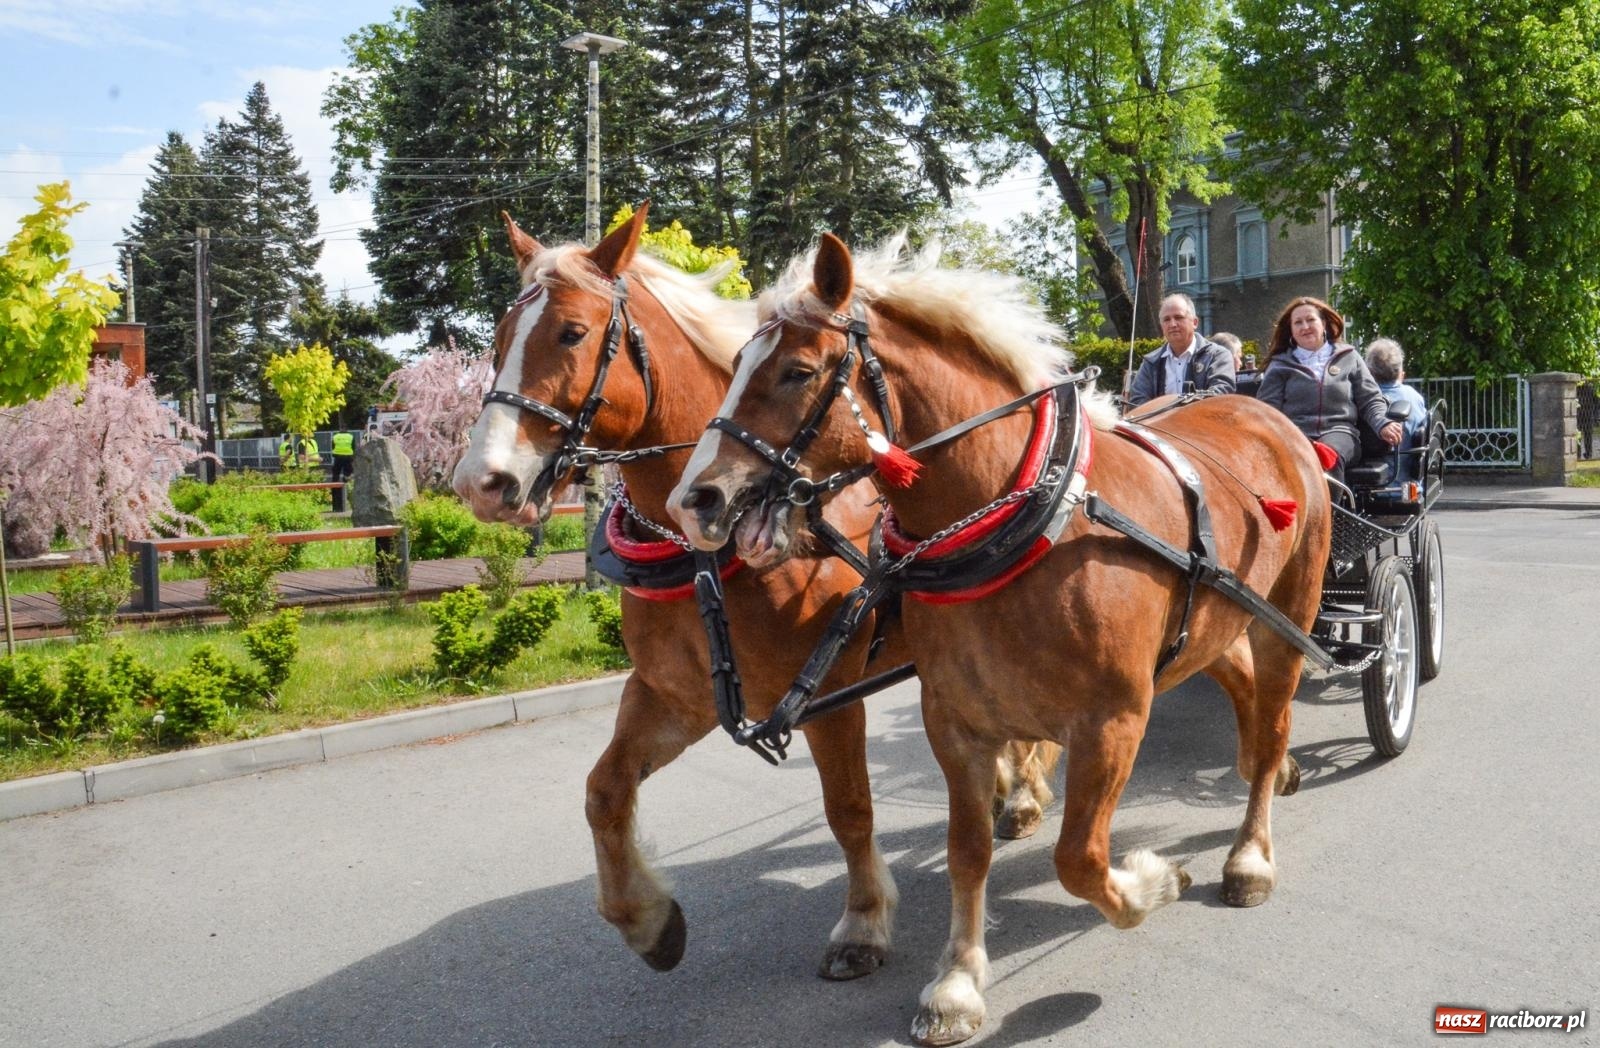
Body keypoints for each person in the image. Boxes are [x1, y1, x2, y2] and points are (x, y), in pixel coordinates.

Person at [1256, 296, 1401, 484]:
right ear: (1291, 330)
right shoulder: (1279, 365)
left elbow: (1370, 399)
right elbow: (1267, 412)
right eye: (1298, 322)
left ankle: (1331, 513)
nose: (1305, 326)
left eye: (1310, 320)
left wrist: (1383, 423)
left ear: (1323, 323)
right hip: (1295, 436)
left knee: (1326, 456)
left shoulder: (1349, 357)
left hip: (1340, 433)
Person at [1126, 293, 1236, 407]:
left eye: (1178, 317)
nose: (1172, 324)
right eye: (1166, 319)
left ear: (1194, 322)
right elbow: (1137, 402)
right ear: (1162, 326)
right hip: (1157, 424)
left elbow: (1221, 394)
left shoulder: (1217, 356)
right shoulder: (1151, 362)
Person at [1364, 338, 1429, 481]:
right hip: (1411, 484)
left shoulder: (1363, 400)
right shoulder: (1414, 397)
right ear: (1400, 372)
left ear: (1368, 372)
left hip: (1371, 486)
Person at [1578, 379, 1598, 460]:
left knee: (1588, 436)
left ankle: (1588, 454)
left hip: (1587, 415)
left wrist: (1595, 415)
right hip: (1579, 415)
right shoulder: (1577, 388)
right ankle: (1578, 454)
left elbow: (1597, 403)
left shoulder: (1591, 389)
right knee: (1578, 436)